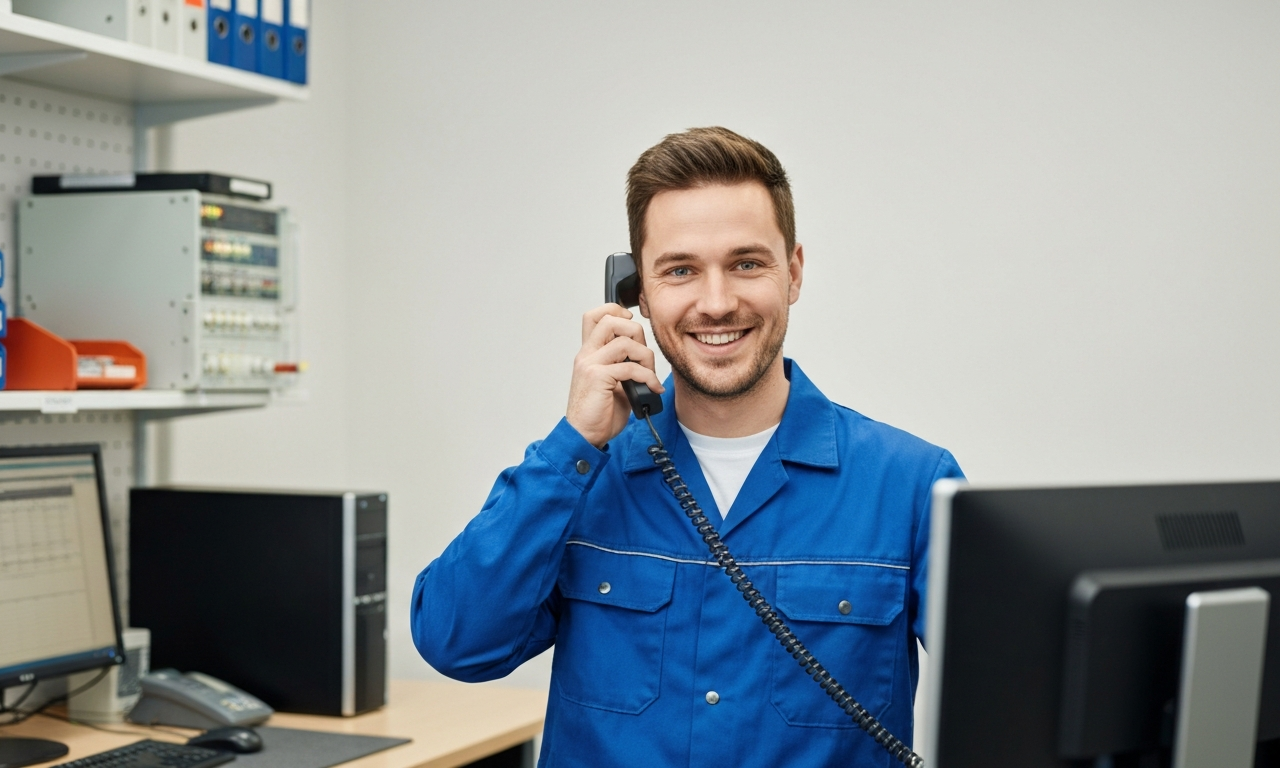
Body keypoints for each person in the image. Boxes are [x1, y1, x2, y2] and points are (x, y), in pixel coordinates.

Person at [411, 126, 964, 767]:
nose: (717, 302)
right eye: (680, 271)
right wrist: (573, 447)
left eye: (747, 263)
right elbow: (457, 643)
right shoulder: (580, 477)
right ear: (635, 293)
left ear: (795, 272)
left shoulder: (915, 485)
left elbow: (1011, 701)